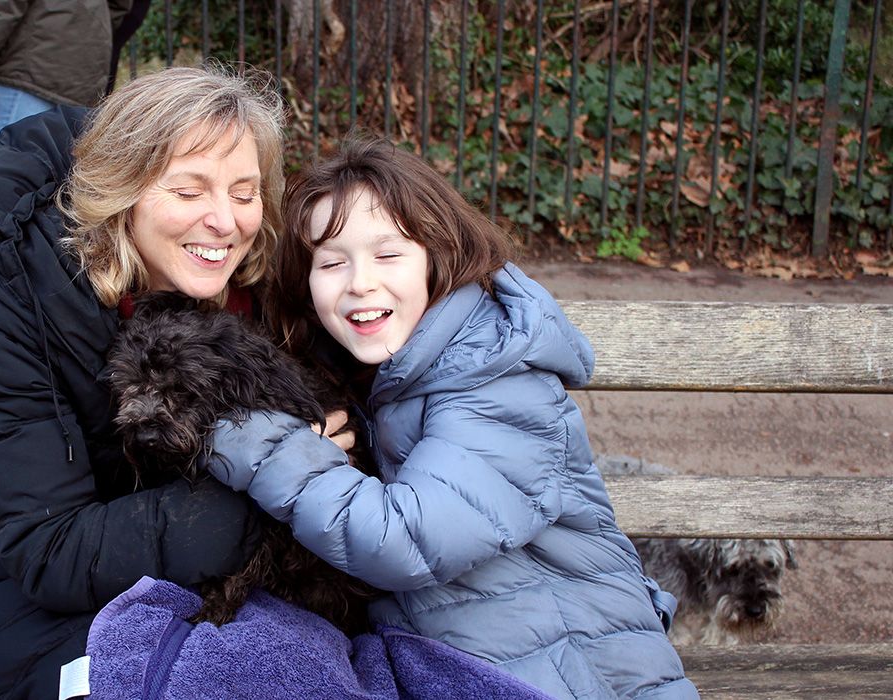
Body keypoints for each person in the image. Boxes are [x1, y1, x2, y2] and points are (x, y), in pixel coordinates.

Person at [205, 137, 700, 699]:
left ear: (437, 257)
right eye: (332, 262)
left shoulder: (498, 377)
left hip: (578, 675)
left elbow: (403, 541)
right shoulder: (379, 373)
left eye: (388, 254)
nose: (359, 282)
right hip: (461, 661)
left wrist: (256, 441)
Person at [0, 65, 287, 699]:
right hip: (43, 608)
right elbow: (50, 549)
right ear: (121, 191)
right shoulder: (17, 307)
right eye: (188, 191)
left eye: (245, 194)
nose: (226, 221)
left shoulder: (266, 283)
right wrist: (280, 496)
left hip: (231, 584)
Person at [0, 0, 144, 153]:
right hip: (79, 72)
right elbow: (120, 7)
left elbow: (1, 5)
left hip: (25, 71)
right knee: (45, 191)